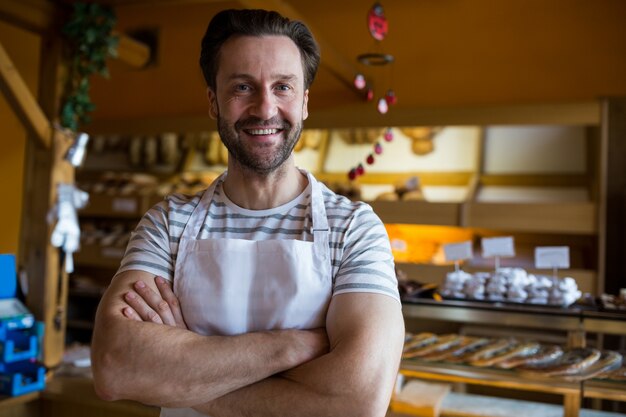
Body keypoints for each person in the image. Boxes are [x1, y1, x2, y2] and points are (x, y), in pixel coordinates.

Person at [91, 8, 404, 417]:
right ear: (213, 101)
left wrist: (180, 377)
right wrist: (293, 346)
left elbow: (358, 402)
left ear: (305, 102)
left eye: (283, 87)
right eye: (242, 87)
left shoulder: (354, 229)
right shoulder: (168, 223)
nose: (265, 108)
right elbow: (115, 366)